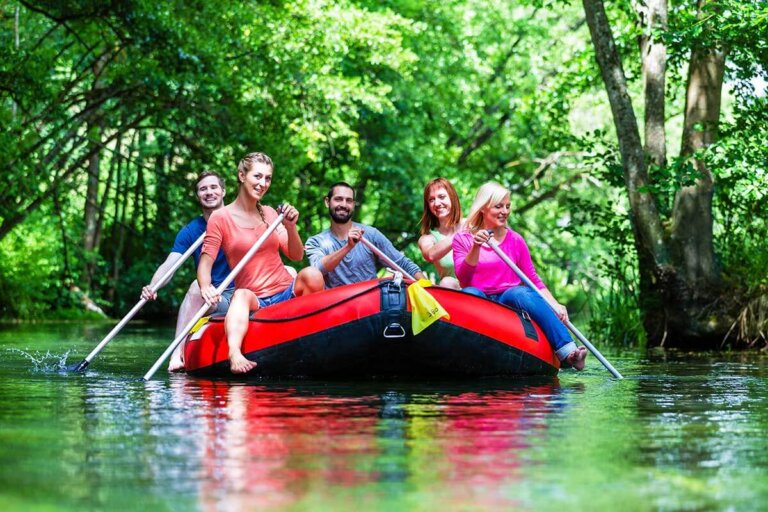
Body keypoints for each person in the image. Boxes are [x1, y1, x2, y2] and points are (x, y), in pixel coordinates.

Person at [198, 152, 324, 374]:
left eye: (268, 178)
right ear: (241, 175)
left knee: (312, 274)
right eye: (257, 176)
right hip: (256, 300)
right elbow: (205, 263)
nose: (263, 183)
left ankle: (316, 336)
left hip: (285, 290)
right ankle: (235, 353)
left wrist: (291, 226)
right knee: (240, 295)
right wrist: (206, 287)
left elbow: (295, 256)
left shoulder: (269, 213)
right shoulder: (221, 218)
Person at [452, 182, 588, 370]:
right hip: (480, 298)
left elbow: (532, 279)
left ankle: (569, 353)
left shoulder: (515, 240)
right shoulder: (463, 239)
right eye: (499, 206)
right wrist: (476, 247)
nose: (505, 211)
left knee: (520, 293)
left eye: (508, 206)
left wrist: (554, 303)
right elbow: (464, 279)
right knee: (470, 293)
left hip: (508, 300)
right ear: (484, 208)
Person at [141, 171, 232, 372]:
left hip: (246, 292)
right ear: (198, 195)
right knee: (195, 286)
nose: (209, 192)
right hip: (216, 297)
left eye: (213, 187)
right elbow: (170, 264)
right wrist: (153, 285)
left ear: (223, 191)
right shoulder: (191, 231)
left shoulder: (240, 218)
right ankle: (177, 353)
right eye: (203, 189)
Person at [305, 182, 425, 288]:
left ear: (353, 204)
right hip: (337, 308)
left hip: (369, 305)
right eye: (338, 199)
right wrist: (348, 247)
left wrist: (429, 289)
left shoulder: (371, 234)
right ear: (327, 202)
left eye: (349, 200)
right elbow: (317, 270)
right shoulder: (316, 242)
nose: (344, 204)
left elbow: (401, 263)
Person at [417, 177, 463, 289]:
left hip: (482, 287)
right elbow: (430, 255)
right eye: (431, 200)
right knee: (447, 282)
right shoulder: (427, 238)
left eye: (442, 197)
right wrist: (459, 235)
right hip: (455, 291)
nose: (437, 203)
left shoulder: (470, 224)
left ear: (452, 197)